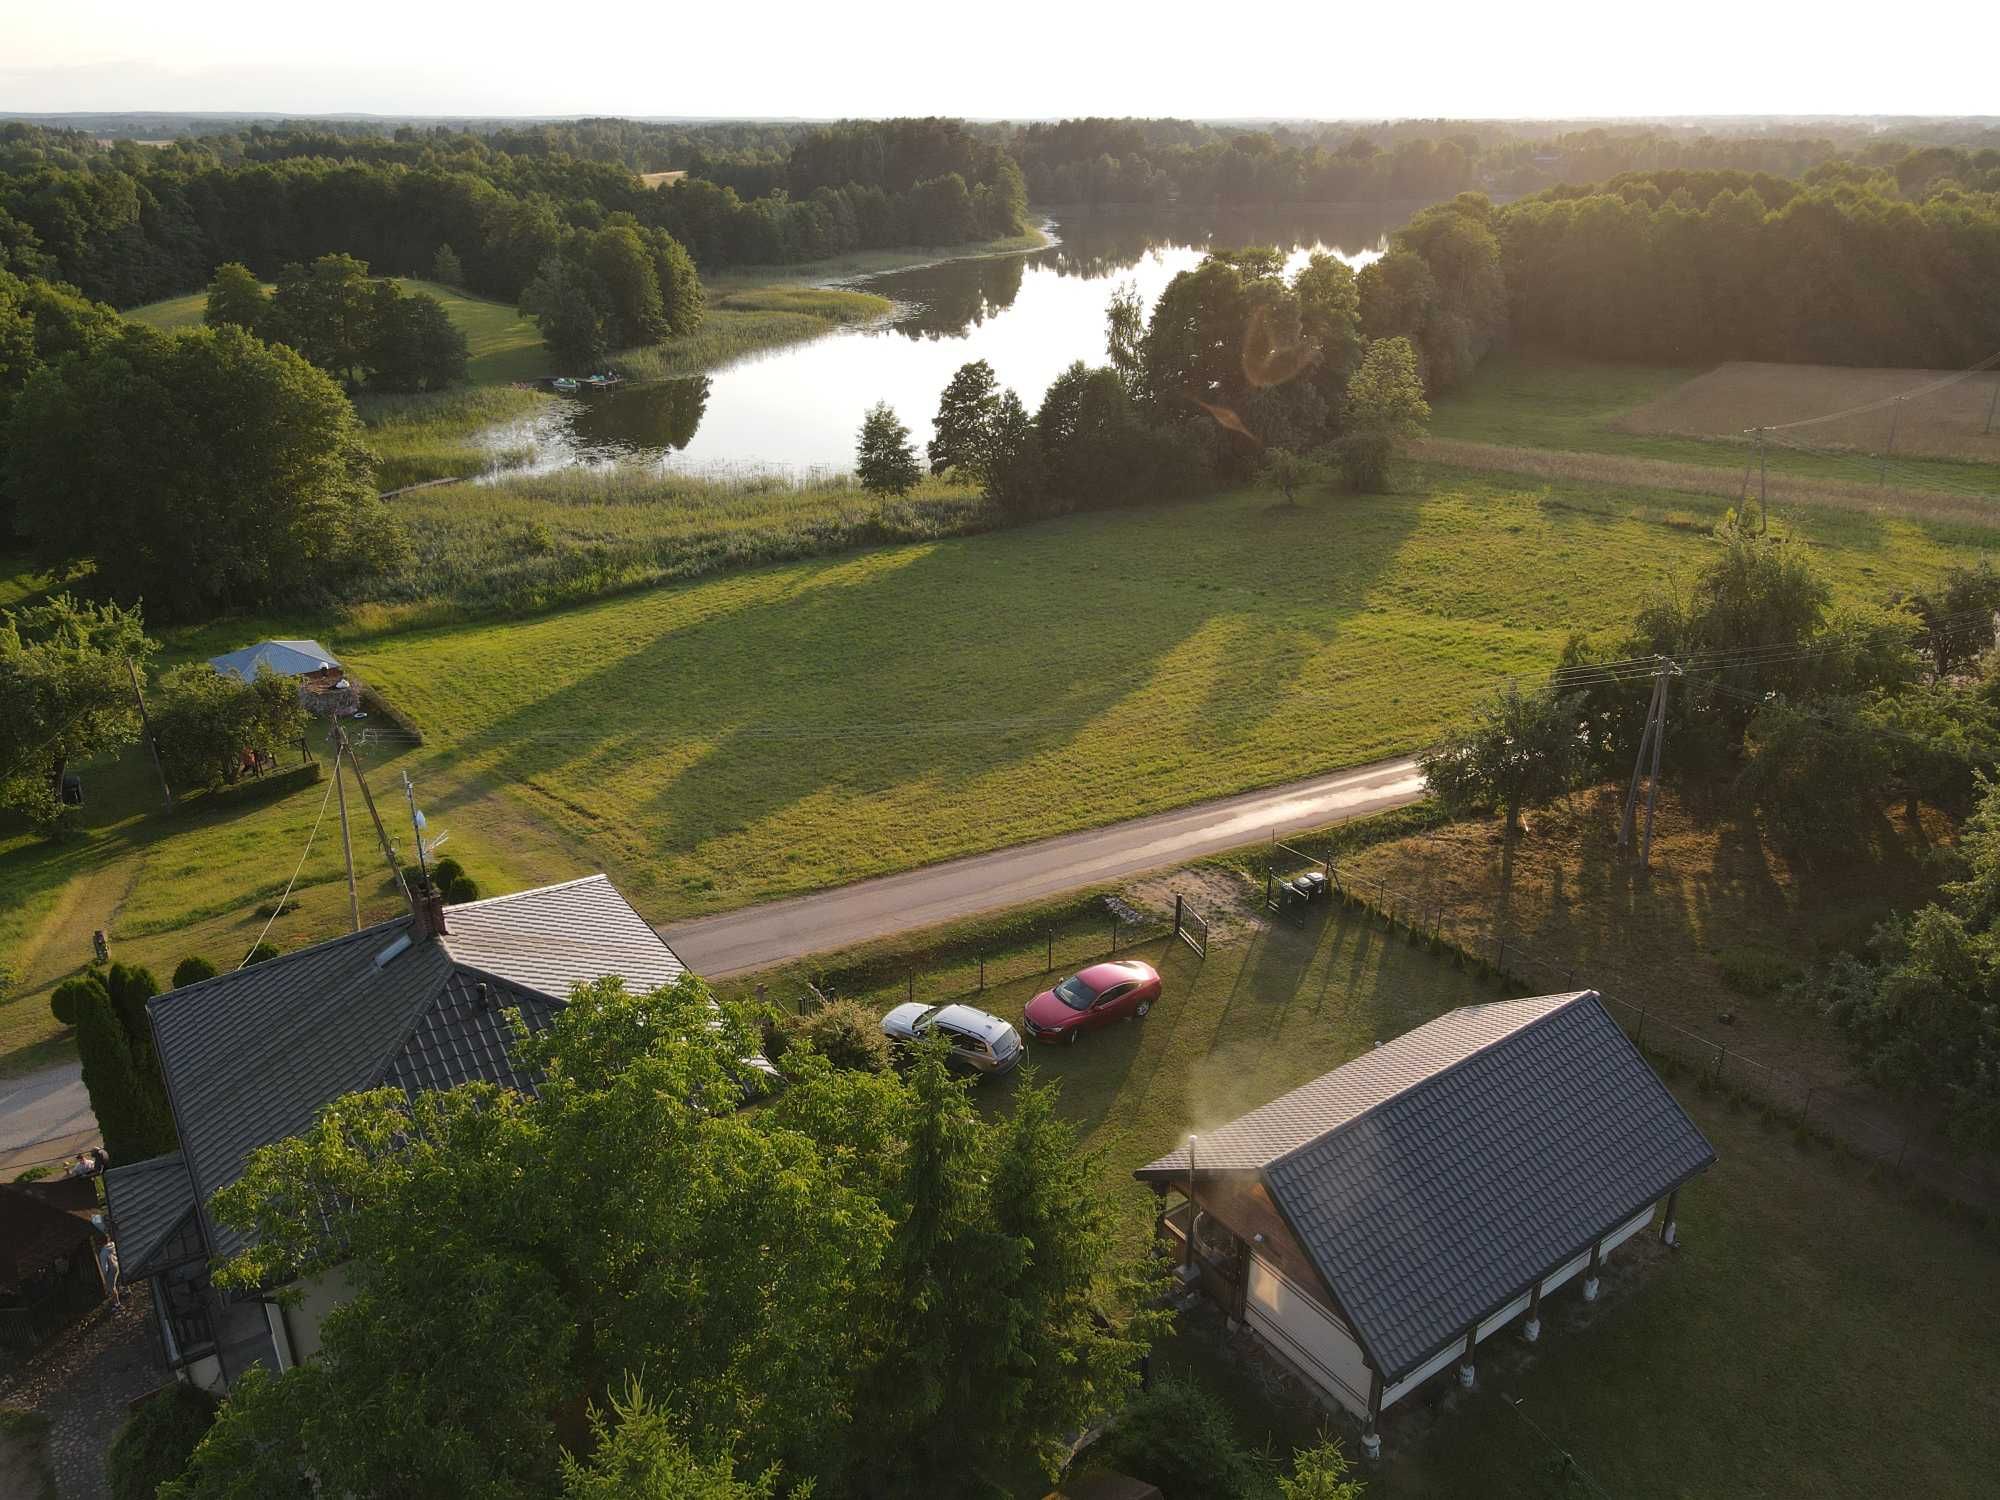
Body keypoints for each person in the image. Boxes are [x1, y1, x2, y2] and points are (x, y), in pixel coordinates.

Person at [97, 1235, 121, 1308]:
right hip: (118, 1264)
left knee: (111, 1287)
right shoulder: (113, 1244)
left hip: (112, 1269)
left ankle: (117, 1303)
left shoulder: (103, 1253)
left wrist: (104, 1276)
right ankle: (127, 1291)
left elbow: (105, 1267)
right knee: (120, 1279)